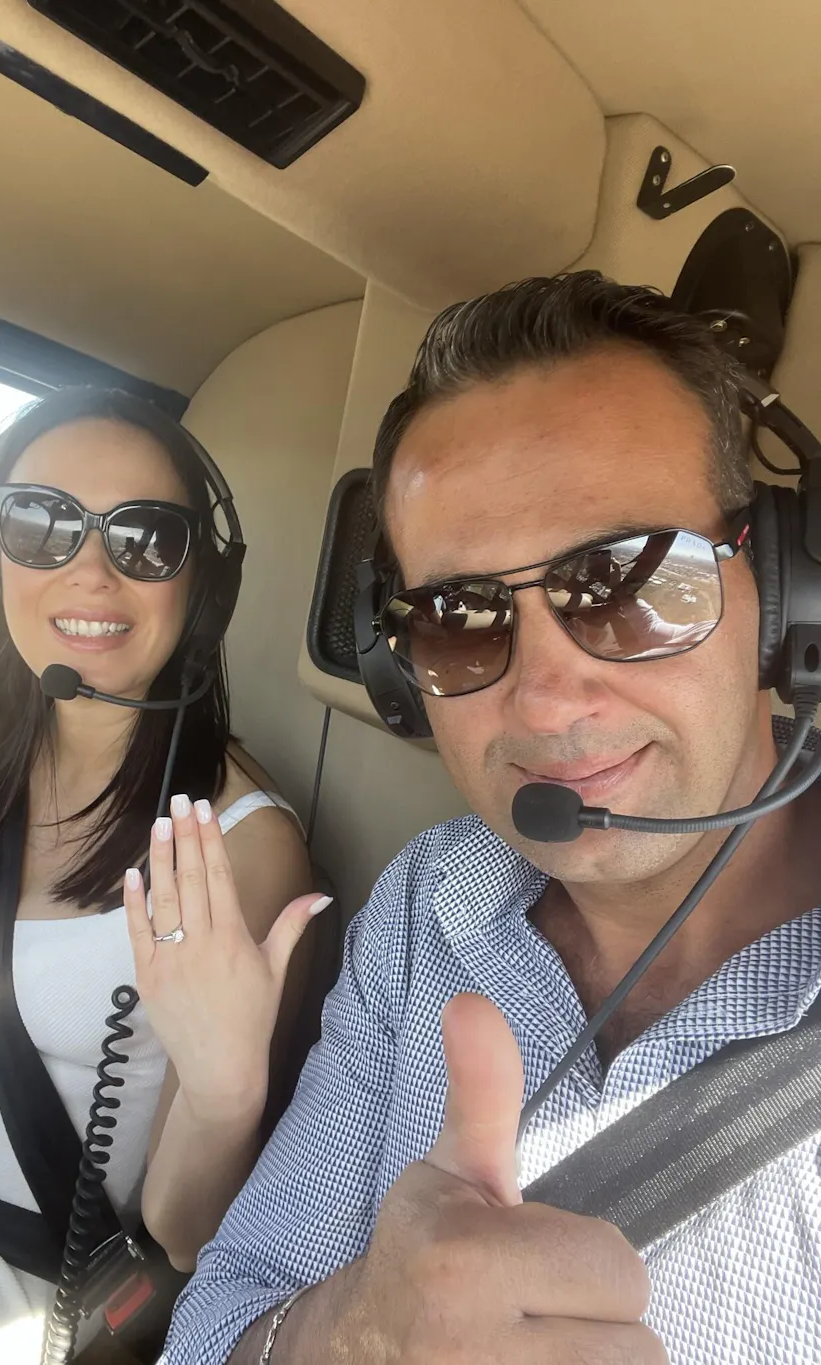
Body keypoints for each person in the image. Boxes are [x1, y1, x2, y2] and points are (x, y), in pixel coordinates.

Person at [163, 273, 821, 1365]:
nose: (546, 702)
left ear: (783, 592)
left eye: (627, 580)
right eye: (457, 616)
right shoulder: (430, 903)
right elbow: (212, 1327)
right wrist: (354, 1333)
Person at [0, 388, 328, 1364]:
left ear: (201, 589)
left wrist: (225, 1096)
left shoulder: (241, 847)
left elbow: (184, 1234)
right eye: (40, 523)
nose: (89, 569)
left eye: (145, 539)